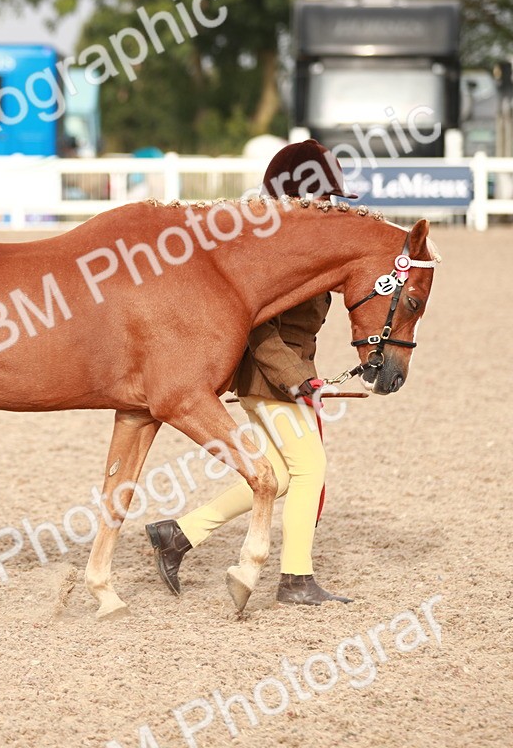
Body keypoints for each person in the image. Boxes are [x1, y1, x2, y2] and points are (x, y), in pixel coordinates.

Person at [145, 139, 358, 606]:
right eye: (324, 197)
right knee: (310, 470)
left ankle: (177, 534)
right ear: (301, 194)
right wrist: (296, 379)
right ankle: (296, 580)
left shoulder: (297, 245)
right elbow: (257, 327)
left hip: (274, 381)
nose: (330, 207)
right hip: (271, 381)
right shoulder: (273, 250)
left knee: (278, 477)